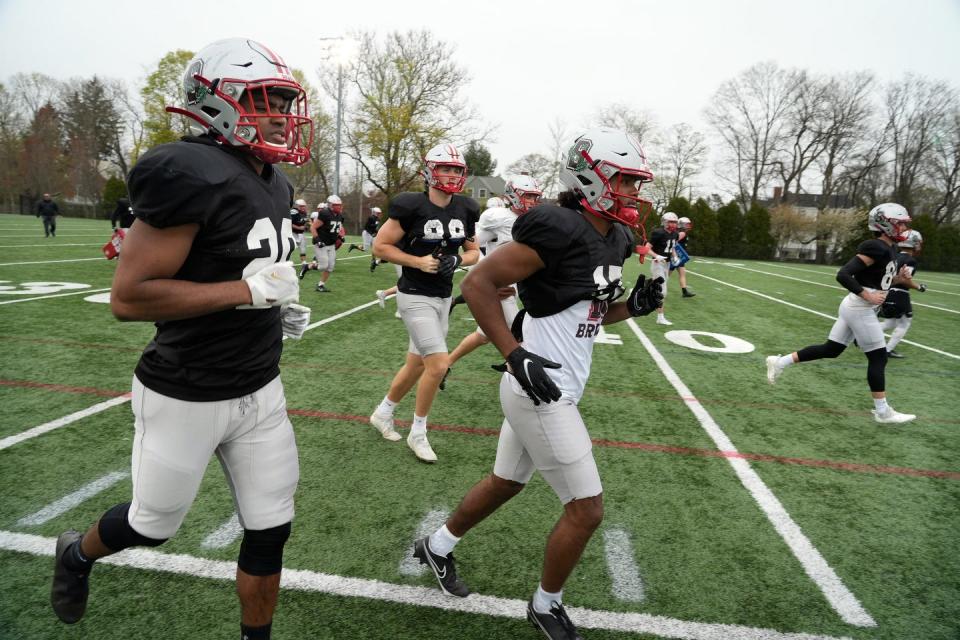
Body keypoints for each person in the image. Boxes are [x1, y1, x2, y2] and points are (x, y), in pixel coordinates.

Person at [50, 38, 313, 640]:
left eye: (283, 101)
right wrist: (246, 295)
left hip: (261, 390)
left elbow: (242, 270)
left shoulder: (272, 182)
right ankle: (78, 553)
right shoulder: (187, 171)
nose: (278, 114)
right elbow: (130, 296)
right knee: (152, 524)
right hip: (186, 392)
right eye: (262, 99)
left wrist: (274, 311)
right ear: (213, 100)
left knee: (271, 528)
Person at [413, 128, 662, 640]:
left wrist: (631, 308)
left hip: (557, 379)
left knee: (506, 482)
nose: (633, 193)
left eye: (637, 183)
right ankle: (545, 605)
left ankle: (435, 546)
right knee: (587, 509)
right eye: (624, 181)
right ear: (590, 177)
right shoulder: (556, 223)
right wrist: (514, 354)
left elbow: (589, 310)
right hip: (539, 384)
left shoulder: (614, 234)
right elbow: (478, 284)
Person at [368, 143, 481, 462]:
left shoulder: (467, 208)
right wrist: (416, 262)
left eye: (457, 169)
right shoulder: (410, 205)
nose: (451, 175)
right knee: (437, 364)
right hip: (413, 295)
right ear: (429, 171)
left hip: (443, 296)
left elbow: (475, 252)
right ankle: (418, 432)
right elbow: (380, 247)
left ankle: (383, 412)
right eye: (445, 168)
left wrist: (458, 260)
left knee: (417, 363)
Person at [765, 203, 917, 424]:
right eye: (900, 223)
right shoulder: (875, 246)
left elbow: (878, 278)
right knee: (878, 357)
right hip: (860, 307)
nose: (904, 227)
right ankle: (883, 412)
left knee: (832, 349)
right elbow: (844, 274)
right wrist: (867, 296)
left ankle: (779, 362)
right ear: (886, 224)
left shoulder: (890, 248)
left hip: (856, 306)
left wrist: (899, 280)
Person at [440, 174, 543, 391]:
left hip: (513, 287)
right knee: (520, 335)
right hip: (500, 287)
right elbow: (475, 249)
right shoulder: (500, 216)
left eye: (535, 197)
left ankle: (444, 364)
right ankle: (524, 383)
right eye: (528, 196)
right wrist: (490, 281)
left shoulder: (533, 220)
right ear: (513, 195)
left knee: (483, 335)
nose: (532, 201)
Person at [878, 229, 926, 358]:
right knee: (905, 322)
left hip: (888, 291)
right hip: (900, 294)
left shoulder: (895, 255)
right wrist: (919, 287)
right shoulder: (910, 260)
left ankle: (862, 335)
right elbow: (904, 280)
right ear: (914, 243)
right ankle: (887, 350)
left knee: (890, 323)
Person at [299, 195, 345, 292]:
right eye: (337, 205)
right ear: (331, 205)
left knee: (330, 267)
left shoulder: (340, 216)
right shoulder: (325, 213)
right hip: (322, 243)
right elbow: (313, 227)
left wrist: (339, 237)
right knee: (323, 266)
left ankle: (320, 285)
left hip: (331, 244)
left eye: (340, 205)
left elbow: (334, 228)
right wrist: (317, 240)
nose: (340, 207)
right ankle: (307, 266)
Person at [645, 211, 680, 325]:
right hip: (657, 263)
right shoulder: (658, 233)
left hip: (667, 264)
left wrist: (675, 257)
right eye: (670, 222)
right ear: (664, 222)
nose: (673, 224)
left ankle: (641, 291)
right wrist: (656, 256)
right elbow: (647, 248)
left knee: (657, 288)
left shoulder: (675, 234)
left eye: (675, 222)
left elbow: (672, 247)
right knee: (662, 291)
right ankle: (660, 317)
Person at [673, 216, 695, 297]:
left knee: (682, 274)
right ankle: (650, 285)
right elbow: (673, 242)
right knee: (666, 275)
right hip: (676, 257)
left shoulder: (682, 232)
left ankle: (684, 291)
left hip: (680, 257)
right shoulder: (682, 233)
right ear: (682, 224)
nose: (688, 226)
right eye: (687, 224)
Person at [290, 198, 310, 264]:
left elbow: (303, 222)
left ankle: (303, 261)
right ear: (297, 206)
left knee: (303, 248)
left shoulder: (304, 213)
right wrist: (299, 227)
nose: (303, 208)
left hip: (301, 233)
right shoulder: (294, 212)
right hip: (293, 233)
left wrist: (306, 226)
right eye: (301, 206)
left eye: (304, 206)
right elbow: (290, 224)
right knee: (291, 248)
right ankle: (288, 260)